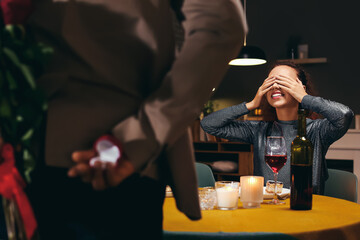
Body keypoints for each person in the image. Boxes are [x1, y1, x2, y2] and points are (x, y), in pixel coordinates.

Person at [25, 0, 247, 239]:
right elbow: (222, 25)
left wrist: (140, 137)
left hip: (106, 162)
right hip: (31, 155)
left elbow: (222, 24)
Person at [201, 61, 354, 194]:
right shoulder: (259, 130)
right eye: (271, 81)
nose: (275, 86)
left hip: (304, 208)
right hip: (267, 209)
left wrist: (304, 97)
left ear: (300, 88)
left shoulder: (317, 130)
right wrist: (252, 104)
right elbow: (209, 124)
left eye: (283, 82)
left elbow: (344, 115)